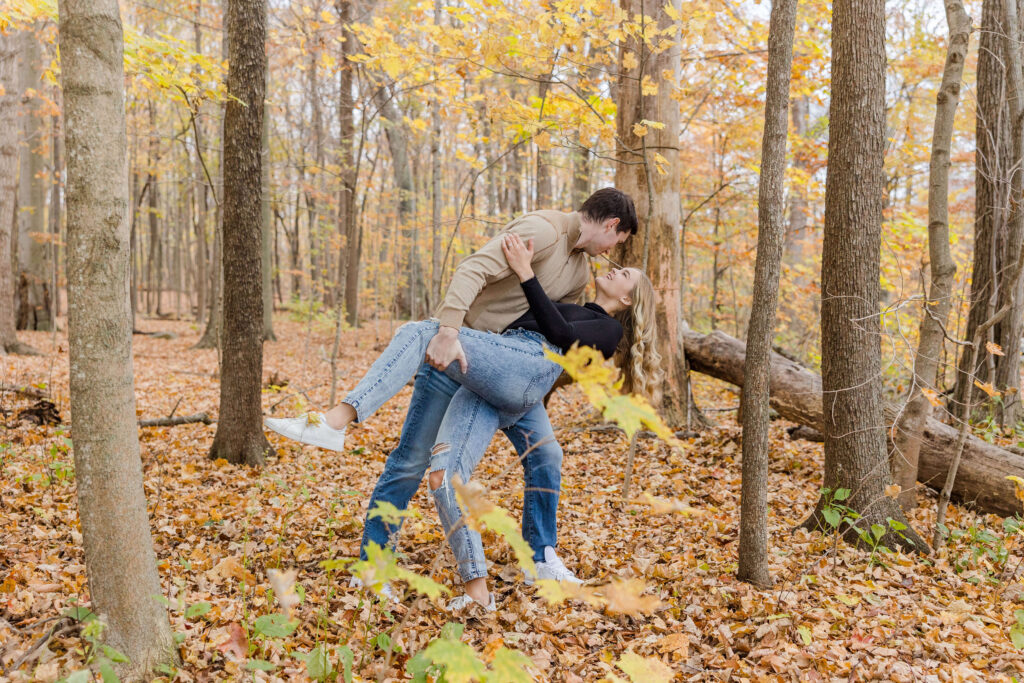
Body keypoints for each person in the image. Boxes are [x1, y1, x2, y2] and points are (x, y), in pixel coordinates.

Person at [267, 189, 638, 590]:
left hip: (501, 369)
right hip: (455, 352)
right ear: (612, 225)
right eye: (620, 240)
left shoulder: (581, 273)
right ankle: (374, 569)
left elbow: (547, 329)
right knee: (409, 463)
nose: (616, 251)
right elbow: (472, 270)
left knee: (547, 453)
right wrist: (447, 331)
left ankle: (540, 556)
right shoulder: (542, 231)